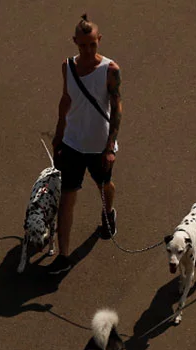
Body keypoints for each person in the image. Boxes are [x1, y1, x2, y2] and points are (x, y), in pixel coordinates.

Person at [49, 14, 122, 273]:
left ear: (99, 40)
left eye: (92, 44)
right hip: (72, 143)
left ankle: (108, 213)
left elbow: (116, 107)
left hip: (99, 144)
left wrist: (110, 145)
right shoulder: (67, 67)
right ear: (75, 43)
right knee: (67, 197)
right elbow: (66, 99)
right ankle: (63, 256)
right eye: (83, 45)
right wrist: (59, 134)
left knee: (103, 185)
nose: (88, 50)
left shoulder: (111, 70)